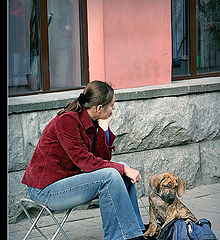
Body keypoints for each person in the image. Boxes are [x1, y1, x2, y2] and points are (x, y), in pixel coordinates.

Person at [21, 80, 145, 240]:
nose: (114, 108)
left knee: (121, 169)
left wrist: (104, 129)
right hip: (46, 190)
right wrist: (121, 169)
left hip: (66, 181)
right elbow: (84, 161)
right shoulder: (67, 121)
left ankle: (135, 231)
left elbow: (101, 160)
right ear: (99, 108)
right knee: (113, 174)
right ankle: (123, 236)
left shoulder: (91, 122)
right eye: (112, 104)